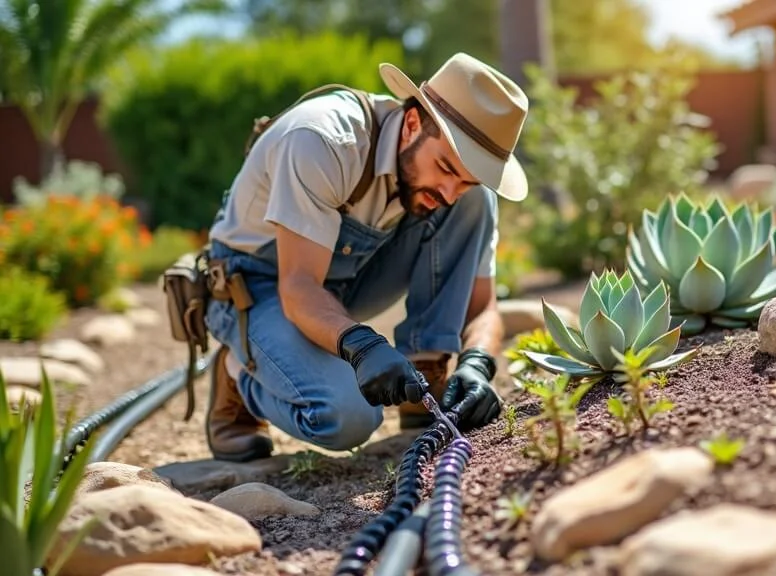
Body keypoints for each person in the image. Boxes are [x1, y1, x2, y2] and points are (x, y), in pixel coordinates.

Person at [199, 53, 529, 463]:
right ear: (412, 125)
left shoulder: (458, 191)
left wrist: (478, 361)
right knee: (347, 417)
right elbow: (299, 286)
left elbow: (484, 308)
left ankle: (424, 373)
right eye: (444, 167)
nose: (448, 192)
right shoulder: (322, 140)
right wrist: (362, 347)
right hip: (258, 282)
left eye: (464, 179)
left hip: (345, 275)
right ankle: (238, 371)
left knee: (477, 202)